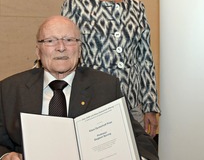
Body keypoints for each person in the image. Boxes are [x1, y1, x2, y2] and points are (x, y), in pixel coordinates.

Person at [0, 16, 158, 160]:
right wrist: (6, 156)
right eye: (50, 41)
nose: (61, 47)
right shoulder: (10, 89)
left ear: (80, 49)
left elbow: (140, 140)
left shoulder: (105, 86)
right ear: (38, 52)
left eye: (69, 40)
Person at [61, 0, 161, 138]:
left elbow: (145, 59)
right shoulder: (75, 4)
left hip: (132, 108)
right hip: (90, 106)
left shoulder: (137, 8)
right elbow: (63, 53)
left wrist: (150, 106)